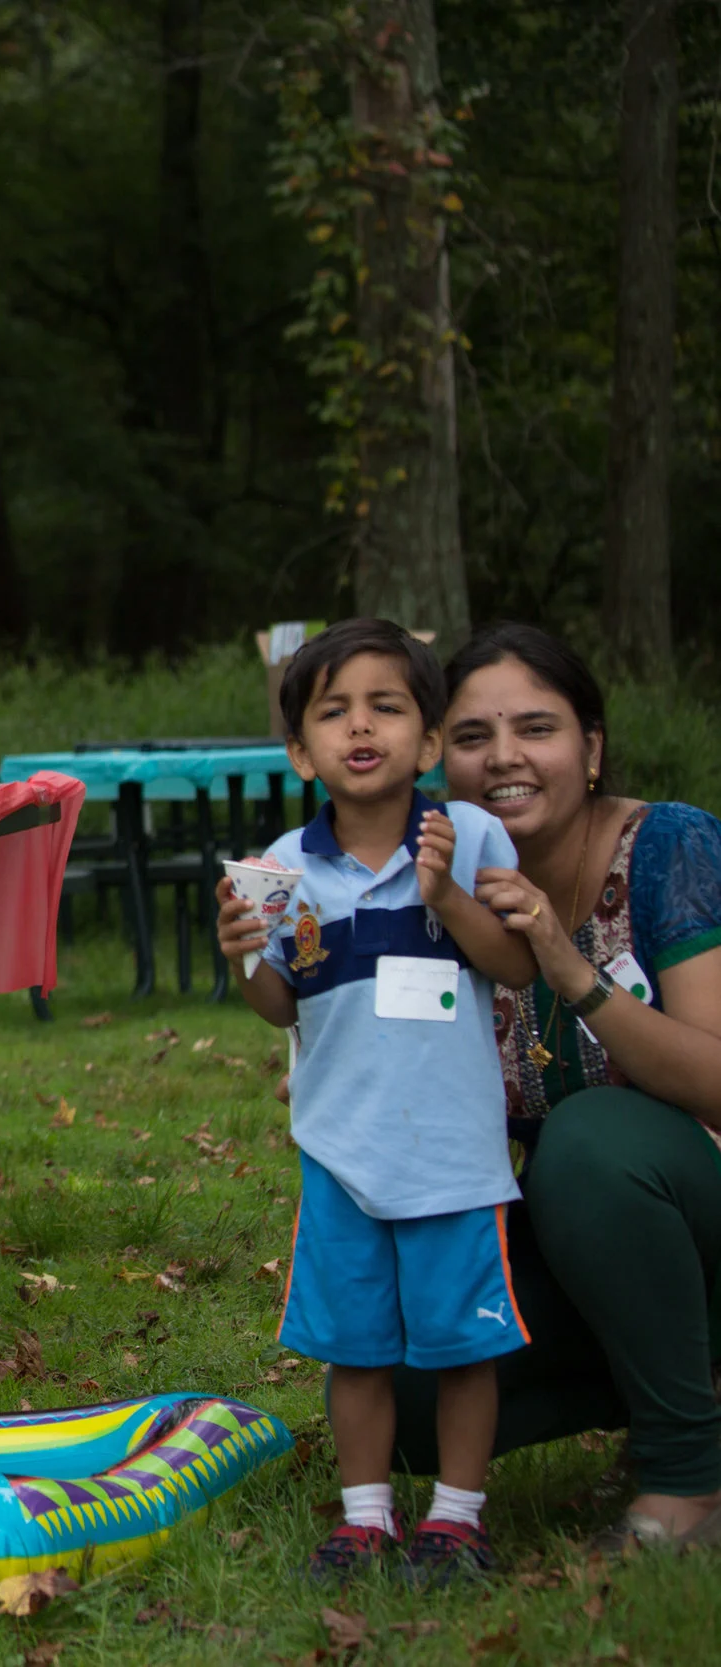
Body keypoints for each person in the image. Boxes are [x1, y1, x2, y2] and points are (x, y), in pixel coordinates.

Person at [384, 623, 721, 1553]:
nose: (504, 757)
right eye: (472, 735)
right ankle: (681, 1386)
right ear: (437, 756)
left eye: (537, 727)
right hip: (592, 1241)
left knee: (589, 1144)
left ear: (592, 747)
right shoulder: (434, 890)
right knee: (406, 1386)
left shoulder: (669, 849)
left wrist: (572, 972)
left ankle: (688, 1474)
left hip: (700, 1209)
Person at [217, 618, 538, 1585]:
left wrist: (445, 895)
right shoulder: (285, 865)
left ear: (430, 741)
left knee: (461, 1345)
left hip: (454, 1152)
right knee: (354, 1347)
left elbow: (515, 965)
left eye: (387, 707)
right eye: (335, 713)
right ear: (300, 752)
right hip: (341, 1150)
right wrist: (243, 957)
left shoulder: (470, 835)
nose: (361, 727)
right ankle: (364, 1519)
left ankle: (456, 1517)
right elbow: (283, 1004)